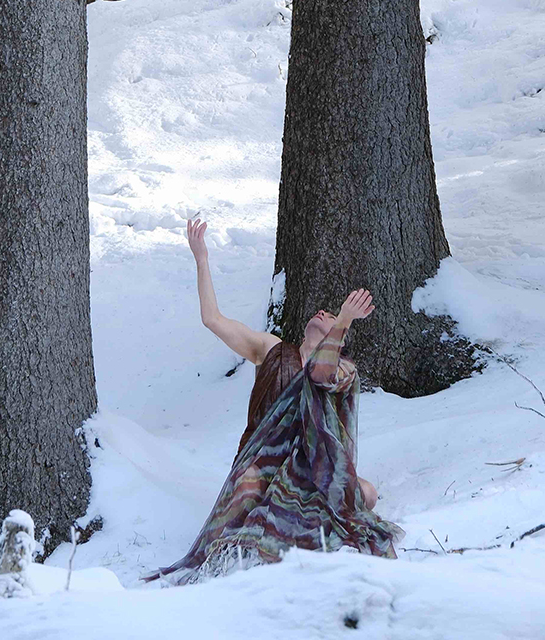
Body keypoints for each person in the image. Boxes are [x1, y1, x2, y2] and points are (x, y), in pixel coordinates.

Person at [147, 217, 402, 583]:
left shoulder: (343, 371)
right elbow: (212, 319)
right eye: (325, 312)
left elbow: (320, 374)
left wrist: (345, 319)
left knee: (367, 494)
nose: (323, 313)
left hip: (309, 471)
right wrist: (201, 259)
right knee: (248, 490)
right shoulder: (272, 349)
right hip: (261, 464)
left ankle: (296, 532)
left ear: (339, 339)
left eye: (330, 317)